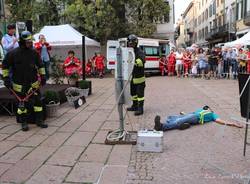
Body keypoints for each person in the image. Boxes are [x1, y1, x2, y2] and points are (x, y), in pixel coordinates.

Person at [2, 31, 47, 131]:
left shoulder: (34, 52)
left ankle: (39, 121)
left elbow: (40, 65)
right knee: (22, 106)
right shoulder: (13, 54)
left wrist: (43, 76)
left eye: (31, 42)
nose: (30, 44)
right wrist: (6, 79)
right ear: (22, 42)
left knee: (38, 103)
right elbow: (5, 66)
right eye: (28, 42)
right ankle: (24, 122)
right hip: (19, 85)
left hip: (33, 83)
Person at [154, 105, 243, 131]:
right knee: (171, 117)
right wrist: (183, 113)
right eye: (206, 107)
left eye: (208, 108)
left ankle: (162, 127)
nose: (207, 108)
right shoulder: (200, 109)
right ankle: (183, 125)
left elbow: (220, 121)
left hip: (197, 118)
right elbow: (190, 114)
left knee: (178, 120)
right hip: (192, 115)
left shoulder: (213, 115)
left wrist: (233, 124)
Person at [126, 34, 146, 116]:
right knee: (133, 93)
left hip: (139, 78)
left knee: (140, 94)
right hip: (133, 77)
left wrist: (136, 62)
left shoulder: (139, 51)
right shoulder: (129, 51)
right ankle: (134, 106)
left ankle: (140, 109)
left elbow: (142, 60)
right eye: (129, 43)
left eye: (132, 43)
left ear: (136, 43)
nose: (130, 45)